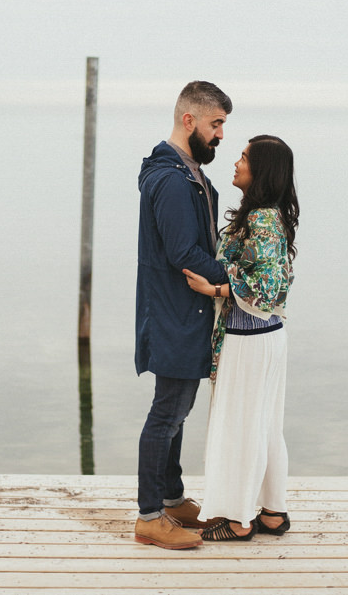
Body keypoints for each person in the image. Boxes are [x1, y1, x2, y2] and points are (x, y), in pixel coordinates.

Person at [182, 134, 299, 541]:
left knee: (239, 427)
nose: (236, 162)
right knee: (264, 425)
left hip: (249, 339)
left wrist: (214, 290)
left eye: (245, 158)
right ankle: (271, 512)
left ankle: (238, 519)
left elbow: (267, 287)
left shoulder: (263, 217)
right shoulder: (267, 214)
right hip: (264, 337)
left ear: (261, 170)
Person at [134, 80, 233, 550]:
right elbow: (184, 252)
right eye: (215, 124)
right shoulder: (172, 178)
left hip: (182, 310)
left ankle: (172, 499)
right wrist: (235, 277)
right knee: (167, 414)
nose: (220, 136)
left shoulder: (186, 170)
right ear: (188, 120)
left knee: (177, 410)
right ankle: (150, 517)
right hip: (176, 312)